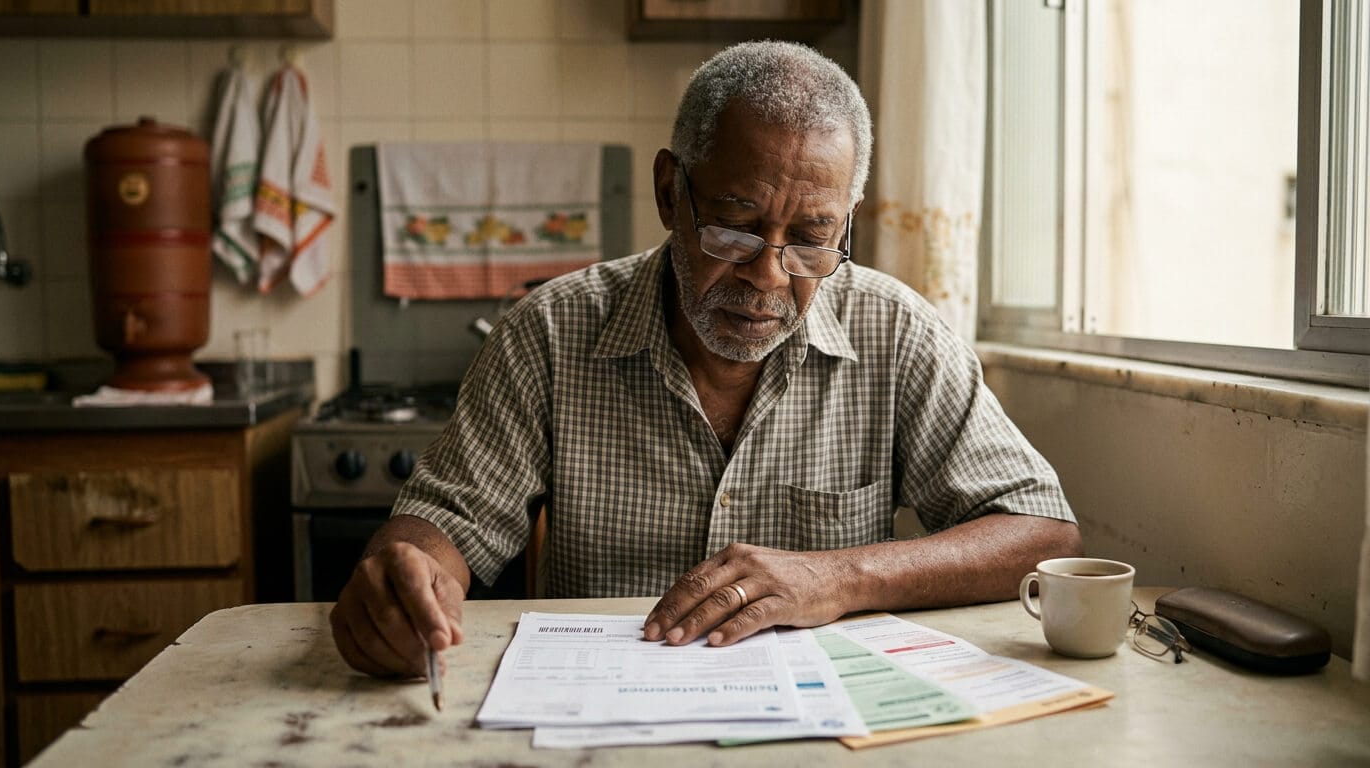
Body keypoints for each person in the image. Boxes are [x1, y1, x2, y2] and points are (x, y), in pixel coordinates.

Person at [330, 41, 1082, 678]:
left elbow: (1042, 533)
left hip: (822, 726)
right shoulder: (550, 333)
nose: (769, 275)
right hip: (595, 710)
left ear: (846, 219)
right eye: (735, 227)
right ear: (669, 191)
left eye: (813, 237)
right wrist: (406, 575)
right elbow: (446, 522)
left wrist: (839, 576)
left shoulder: (899, 333)